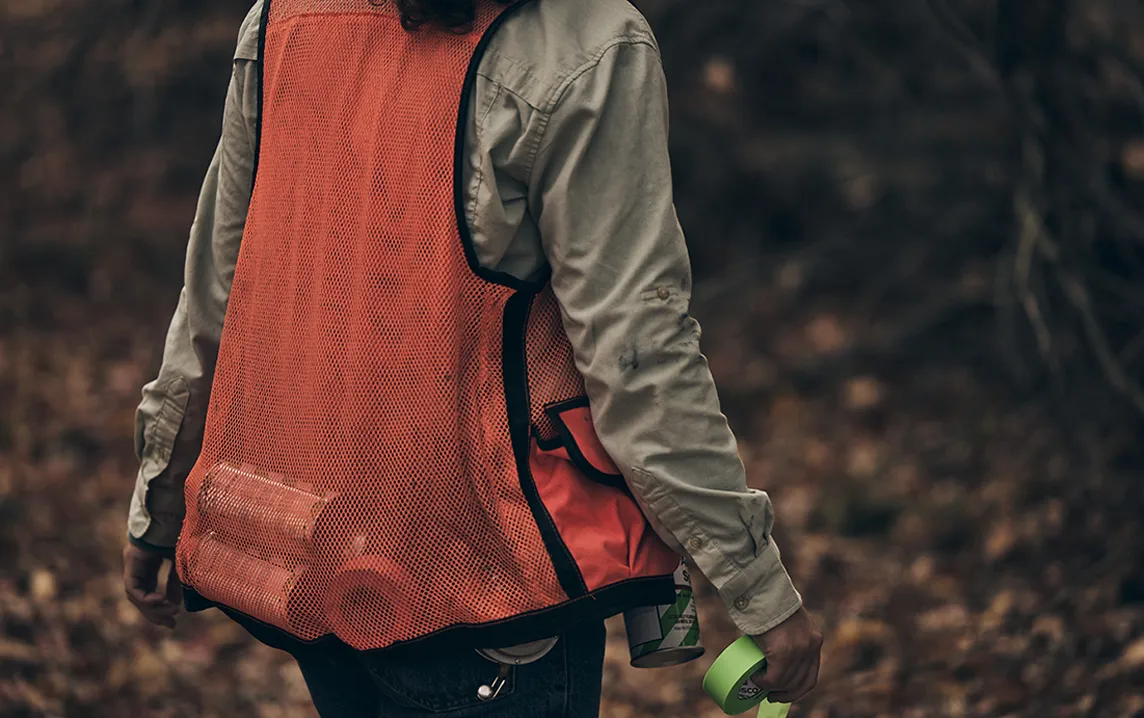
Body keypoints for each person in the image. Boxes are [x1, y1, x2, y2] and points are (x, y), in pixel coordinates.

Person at [121, 0, 823, 715]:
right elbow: (640, 355)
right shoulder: (586, 41)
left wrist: (160, 498)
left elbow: (216, 289)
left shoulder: (284, 18)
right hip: (485, 589)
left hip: (315, 562)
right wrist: (758, 590)